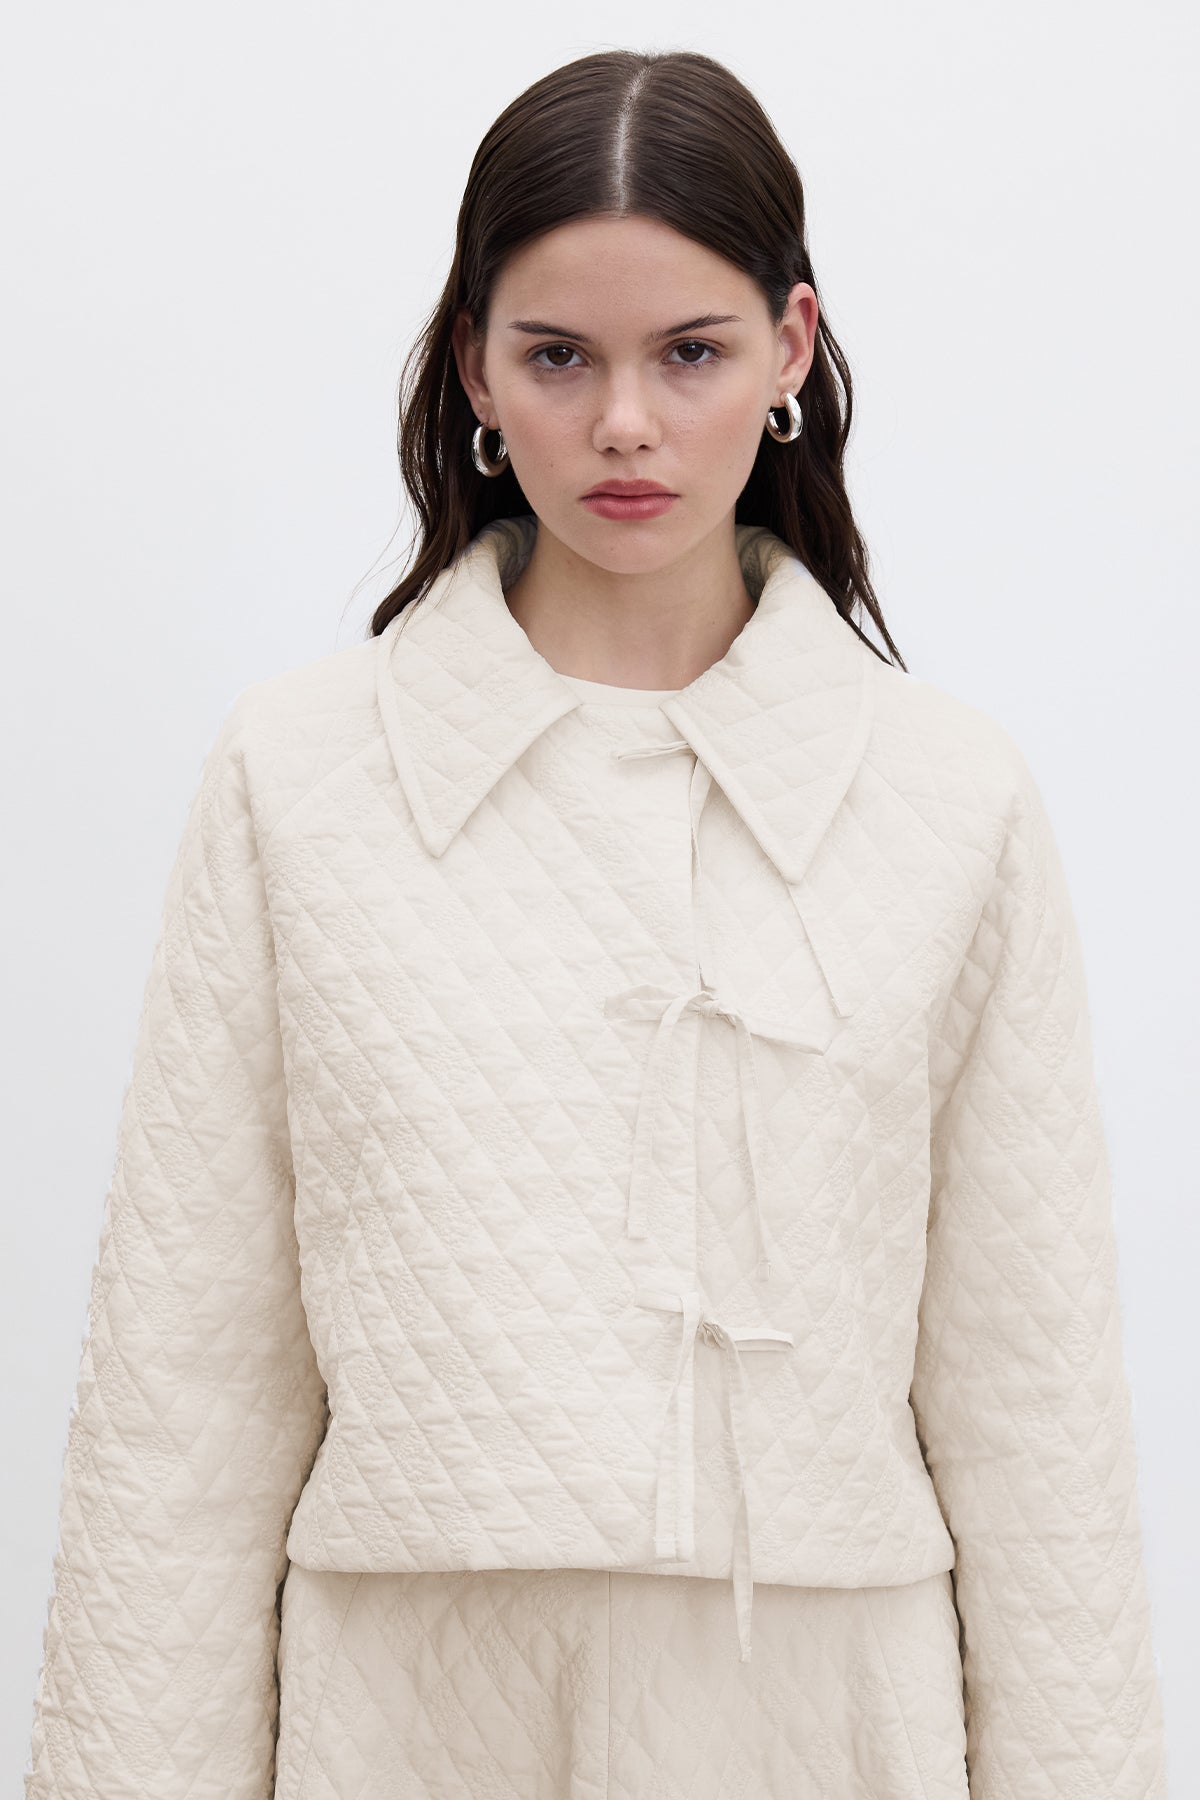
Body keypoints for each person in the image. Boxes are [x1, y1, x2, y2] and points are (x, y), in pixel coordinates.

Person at [24, 46, 1167, 1800]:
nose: (625, 422)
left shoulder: (949, 799)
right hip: (412, 1720)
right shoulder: (300, 778)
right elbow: (186, 1392)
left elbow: (1039, 1415)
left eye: (690, 353)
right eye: (559, 355)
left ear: (790, 349)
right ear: (474, 364)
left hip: (824, 1729)